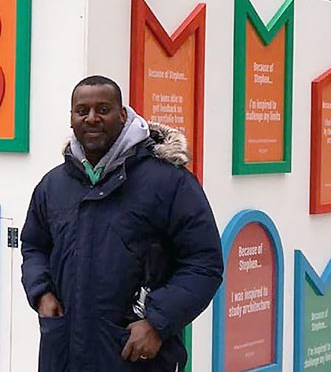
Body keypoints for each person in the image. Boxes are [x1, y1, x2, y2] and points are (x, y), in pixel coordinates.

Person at [21, 76, 223, 371]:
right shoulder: (53, 186)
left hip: (134, 357)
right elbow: (34, 245)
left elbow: (204, 263)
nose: (92, 118)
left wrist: (157, 322)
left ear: (123, 114)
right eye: (82, 111)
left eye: (103, 109)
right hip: (63, 354)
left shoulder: (169, 182)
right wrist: (41, 293)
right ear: (71, 118)